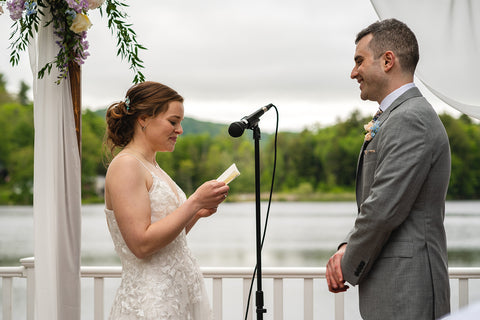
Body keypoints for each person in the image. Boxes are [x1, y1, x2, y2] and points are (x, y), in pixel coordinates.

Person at [325, 19, 451, 319]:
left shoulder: (411, 119)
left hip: (408, 288)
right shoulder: (397, 116)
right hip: (394, 285)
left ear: (388, 60)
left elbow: (384, 208)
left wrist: (346, 262)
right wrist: (347, 244)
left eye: (359, 61)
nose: (353, 72)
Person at [103, 81, 229, 319]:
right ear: (143, 119)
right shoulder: (127, 165)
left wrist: (195, 213)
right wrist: (193, 202)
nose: (180, 130)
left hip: (177, 296)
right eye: (173, 121)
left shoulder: (153, 166)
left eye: (180, 122)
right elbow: (141, 245)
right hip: (151, 302)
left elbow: (167, 242)